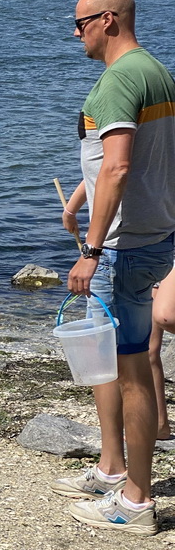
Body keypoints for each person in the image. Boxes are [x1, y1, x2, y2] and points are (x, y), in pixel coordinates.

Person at [52, 0, 175, 536]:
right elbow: (131, 160)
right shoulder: (154, 71)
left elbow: (121, 167)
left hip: (123, 250)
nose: (75, 34)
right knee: (117, 358)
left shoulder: (119, 80)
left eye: (79, 24)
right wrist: (79, 199)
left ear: (107, 21)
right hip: (154, 237)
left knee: (130, 372)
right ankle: (112, 467)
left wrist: (93, 248)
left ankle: (136, 501)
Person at [60, 180, 173, 444]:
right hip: (152, 240)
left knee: (154, 326)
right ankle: (159, 425)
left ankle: (122, 454)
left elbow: (112, 169)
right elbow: (98, 172)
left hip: (150, 241)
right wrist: (71, 210)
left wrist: (89, 248)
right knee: (149, 348)